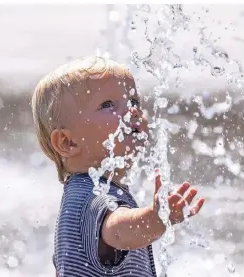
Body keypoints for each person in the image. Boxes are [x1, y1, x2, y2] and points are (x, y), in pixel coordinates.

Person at [30, 56, 205, 277]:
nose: (132, 112)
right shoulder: (93, 197)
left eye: (133, 102)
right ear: (68, 142)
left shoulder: (79, 194)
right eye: (107, 105)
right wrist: (155, 218)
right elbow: (119, 231)